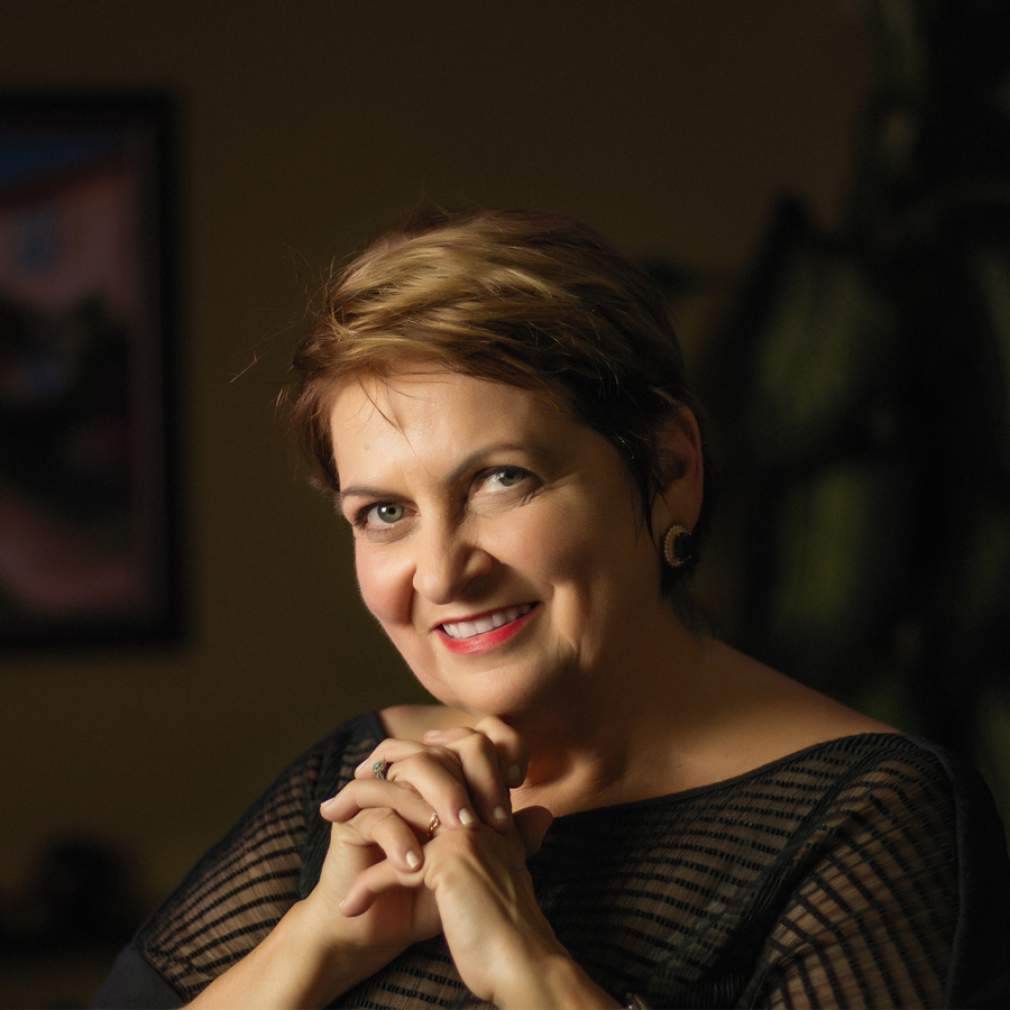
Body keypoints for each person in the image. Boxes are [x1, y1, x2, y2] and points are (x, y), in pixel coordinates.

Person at [93, 208, 1010, 1009]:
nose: (442, 574)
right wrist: (316, 943)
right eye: (384, 513)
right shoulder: (350, 786)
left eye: (502, 479)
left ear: (669, 469)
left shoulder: (870, 816)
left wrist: (533, 971)